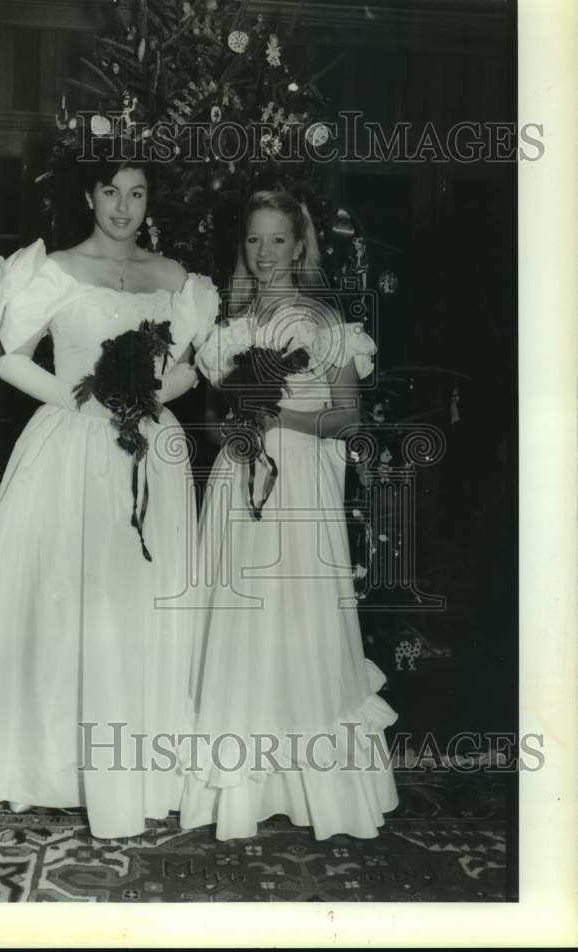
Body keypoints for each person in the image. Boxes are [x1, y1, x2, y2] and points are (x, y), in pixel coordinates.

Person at [0, 155, 219, 839]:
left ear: (149, 202)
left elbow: (190, 367)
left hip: (150, 452)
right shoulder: (51, 268)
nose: (122, 206)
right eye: (110, 191)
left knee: (140, 594)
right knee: (67, 596)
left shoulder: (173, 279)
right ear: (89, 196)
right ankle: (54, 763)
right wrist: (88, 403)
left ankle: (143, 763)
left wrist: (142, 400)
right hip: (73, 445)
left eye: (136, 193)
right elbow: (10, 356)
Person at [180, 190, 399, 841]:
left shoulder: (323, 322)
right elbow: (213, 416)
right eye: (254, 240)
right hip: (238, 479)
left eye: (278, 240)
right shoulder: (230, 326)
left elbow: (346, 417)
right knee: (240, 614)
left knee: (295, 616)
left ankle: (318, 787)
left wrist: (279, 418)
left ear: (298, 246)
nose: (265, 253)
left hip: (300, 478)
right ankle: (239, 783)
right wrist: (231, 429)